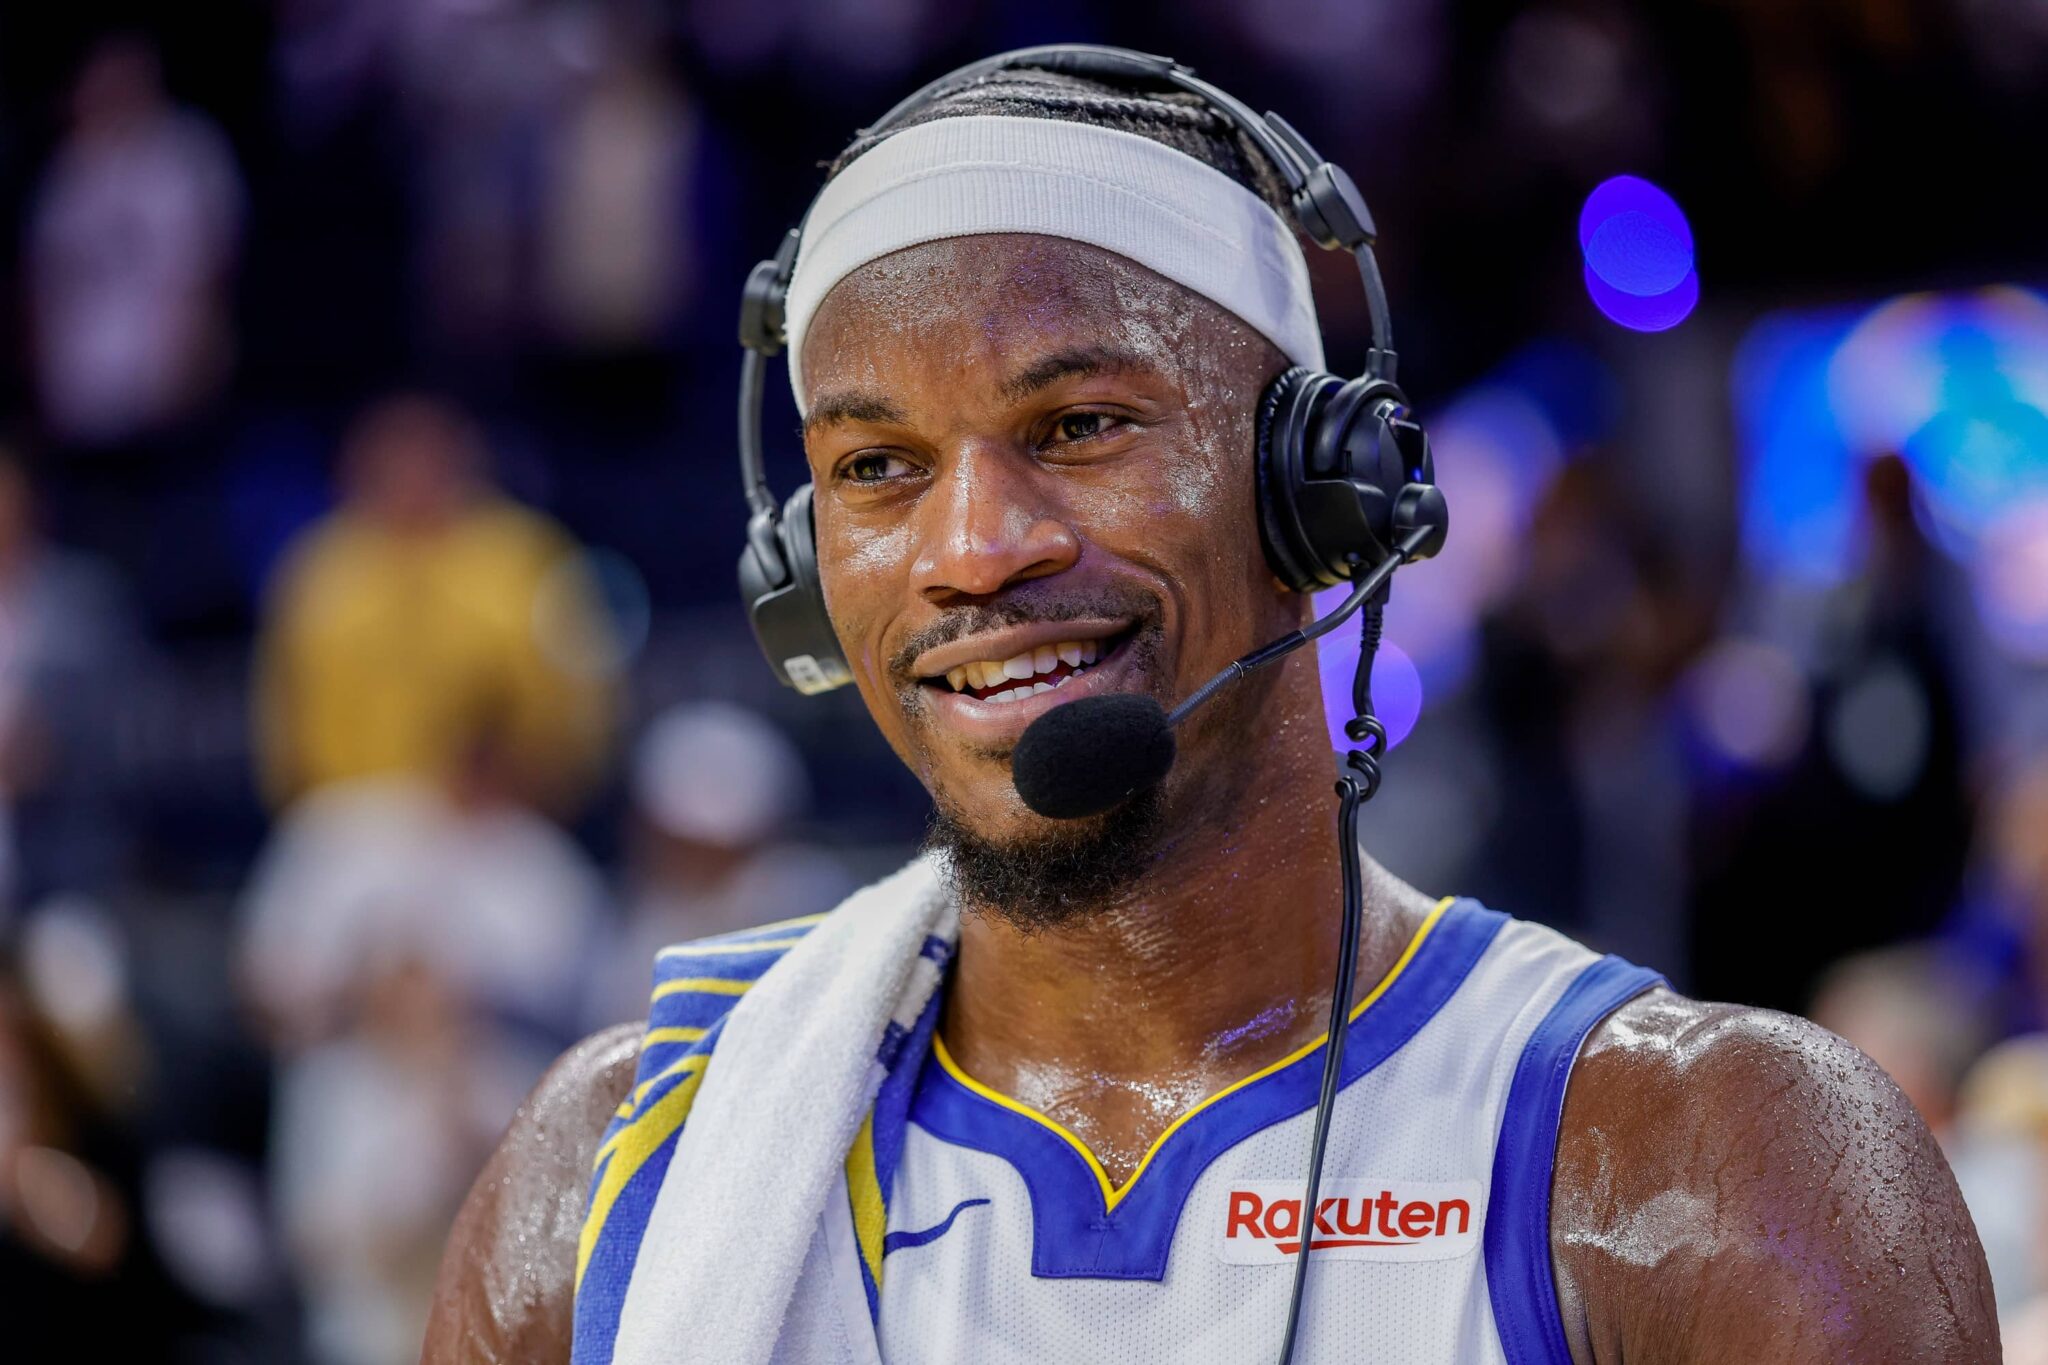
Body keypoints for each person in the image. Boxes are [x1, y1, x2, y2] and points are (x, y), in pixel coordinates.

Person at [424, 51, 1996, 1363]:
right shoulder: (614, 1179)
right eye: (878, 469)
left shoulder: (1707, 1173)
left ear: (1323, 496)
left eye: (1082, 422)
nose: (972, 549)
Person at [254, 393, 615, 814]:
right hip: (351, 818)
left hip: (498, 812)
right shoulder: (318, 570)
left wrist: (524, 772)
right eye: (393, 460)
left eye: (426, 456)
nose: (411, 474)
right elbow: (285, 740)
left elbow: (579, 713)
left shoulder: (526, 558)